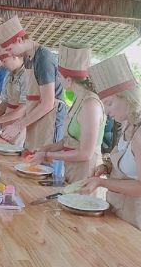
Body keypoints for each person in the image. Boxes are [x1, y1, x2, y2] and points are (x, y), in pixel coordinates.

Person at [78, 54, 141, 237]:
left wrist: (102, 182)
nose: (107, 111)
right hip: (120, 210)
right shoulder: (129, 123)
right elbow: (128, 164)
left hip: (138, 217)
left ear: (127, 98)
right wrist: (106, 166)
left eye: (109, 103)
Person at [28, 45, 106, 183]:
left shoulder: (91, 105)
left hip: (87, 172)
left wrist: (49, 155)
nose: (57, 78)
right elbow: (68, 140)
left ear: (69, 80)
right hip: (73, 169)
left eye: (58, 75)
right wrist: (45, 149)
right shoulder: (78, 99)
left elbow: (85, 153)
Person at [0, 15, 66, 151]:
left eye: (9, 49)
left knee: (46, 164)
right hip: (35, 116)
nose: (10, 54)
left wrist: (18, 125)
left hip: (50, 117)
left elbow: (48, 102)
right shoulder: (27, 58)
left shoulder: (43, 58)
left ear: (19, 40)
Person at [0, 45, 27, 146]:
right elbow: (4, 100)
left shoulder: (26, 75)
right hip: (6, 120)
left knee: (14, 154)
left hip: (19, 124)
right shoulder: (9, 75)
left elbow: (23, 109)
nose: (3, 65)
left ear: (14, 57)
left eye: (4, 61)